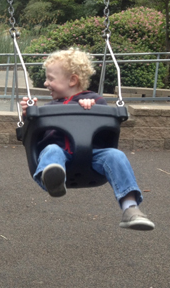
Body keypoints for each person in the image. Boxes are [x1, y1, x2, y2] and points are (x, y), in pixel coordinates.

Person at [20, 48, 155, 231]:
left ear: (72, 80)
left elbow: (104, 130)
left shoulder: (94, 100)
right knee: (52, 151)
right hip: (61, 157)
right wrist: (30, 114)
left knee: (115, 155)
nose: (46, 83)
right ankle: (54, 179)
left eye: (50, 78)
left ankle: (131, 209)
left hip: (92, 156)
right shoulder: (50, 107)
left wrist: (90, 108)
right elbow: (36, 134)